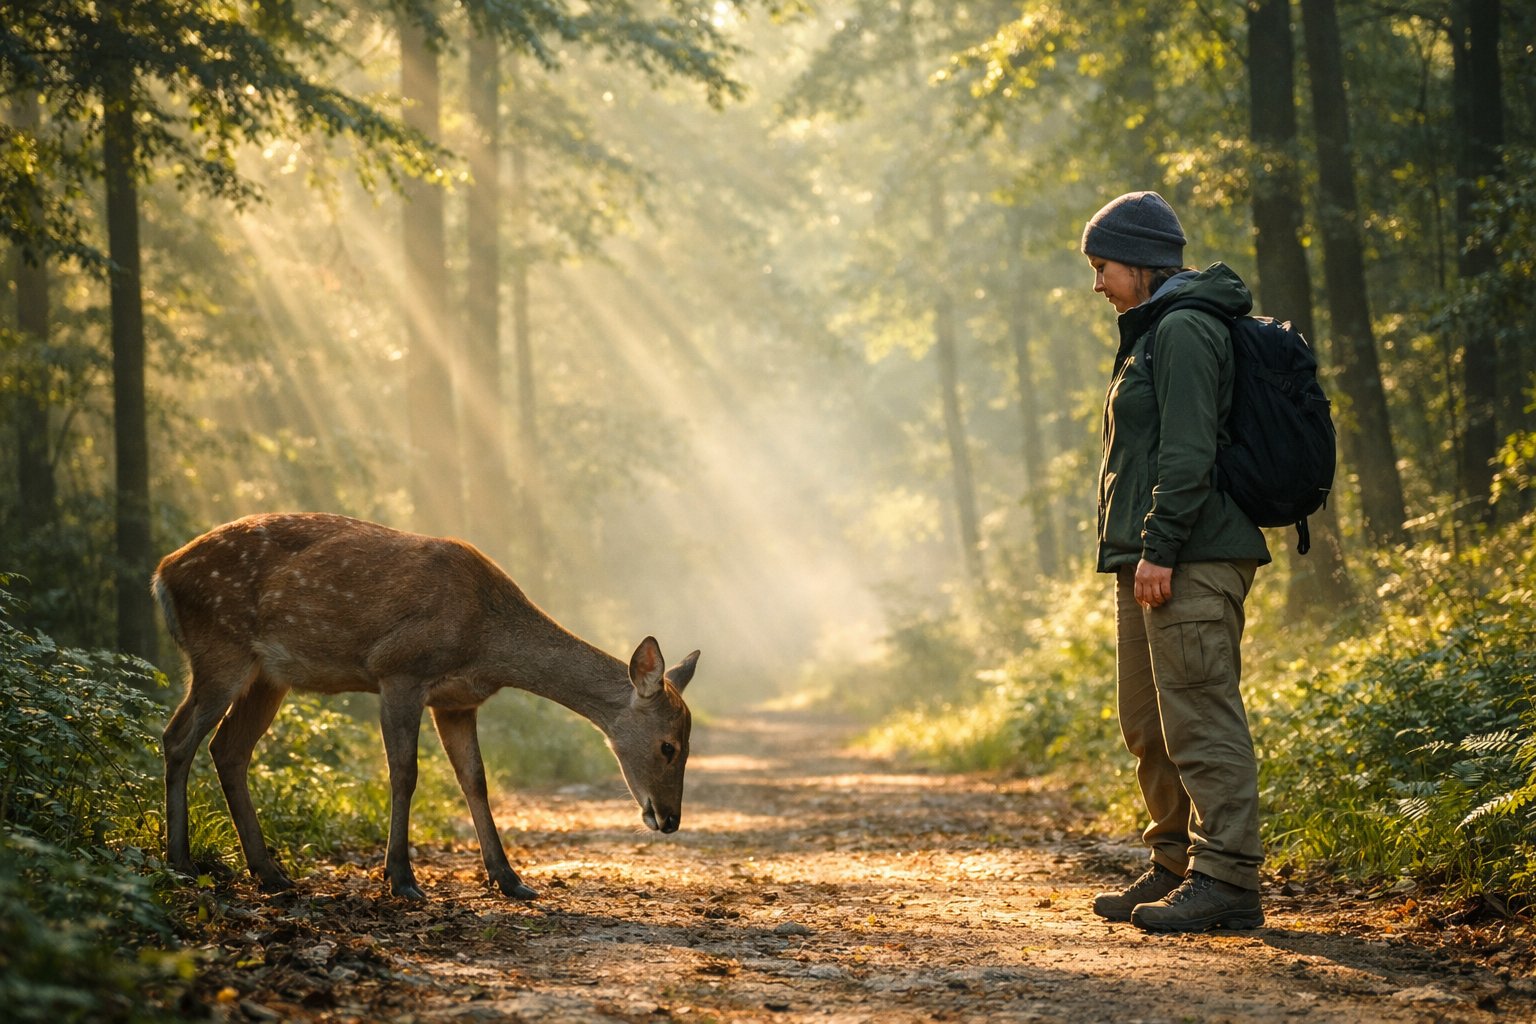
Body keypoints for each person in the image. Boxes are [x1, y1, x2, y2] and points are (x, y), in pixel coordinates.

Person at [1079, 191, 1271, 933]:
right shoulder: (1152, 332)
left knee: (1199, 715)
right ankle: (1172, 864)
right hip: (1150, 561)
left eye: (1103, 267)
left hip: (1189, 555)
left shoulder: (1187, 328)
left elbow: (1188, 453)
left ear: (1139, 262)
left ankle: (1226, 879)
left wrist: (1160, 548)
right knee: (1149, 722)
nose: (1097, 283)